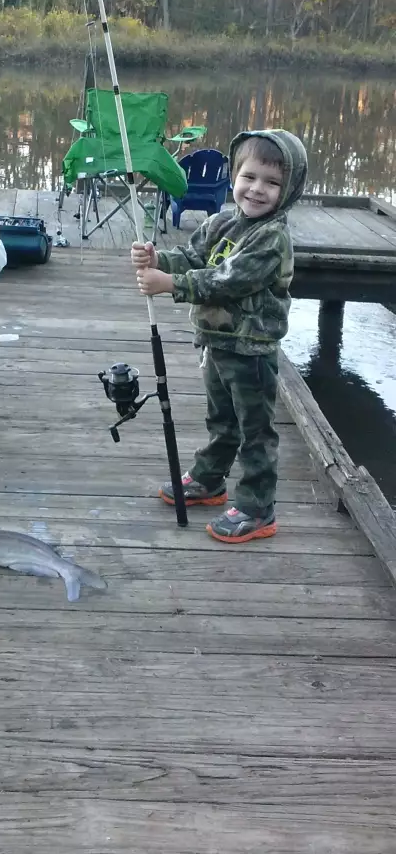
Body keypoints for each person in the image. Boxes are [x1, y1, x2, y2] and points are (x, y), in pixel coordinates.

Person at [131, 129, 308, 544]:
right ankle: (210, 481)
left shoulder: (272, 238)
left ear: (289, 189)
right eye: (249, 177)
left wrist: (170, 284)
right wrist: (159, 259)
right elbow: (192, 257)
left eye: (272, 182)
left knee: (255, 431)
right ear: (234, 176)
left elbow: (225, 280)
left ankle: (257, 507)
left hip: (252, 352)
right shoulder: (223, 222)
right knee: (221, 420)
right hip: (216, 342)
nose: (257, 189)